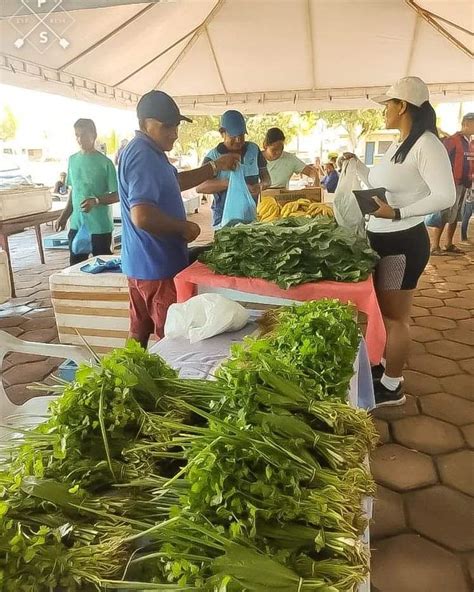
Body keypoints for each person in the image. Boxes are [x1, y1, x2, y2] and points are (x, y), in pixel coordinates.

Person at [345, 76, 455, 408]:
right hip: (383, 240)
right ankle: (385, 369)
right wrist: (357, 166)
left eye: (388, 105)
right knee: (384, 311)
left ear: (402, 106)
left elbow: (445, 195)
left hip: (401, 246)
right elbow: (387, 184)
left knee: (395, 317)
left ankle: (392, 386)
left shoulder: (427, 145)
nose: (384, 111)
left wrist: (397, 213)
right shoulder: (401, 143)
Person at [118, 90, 240, 348]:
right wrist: (182, 227)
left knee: (138, 331)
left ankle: (127, 377)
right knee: (171, 339)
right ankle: (163, 386)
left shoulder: (149, 150)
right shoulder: (144, 155)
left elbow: (175, 182)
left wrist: (214, 167)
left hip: (141, 264)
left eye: (176, 126)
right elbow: (141, 215)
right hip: (156, 265)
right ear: (144, 124)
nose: (173, 133)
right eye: (166, 127)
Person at [55, 118, 119, 266]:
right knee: (76, 266)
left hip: (100, 227)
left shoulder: (105, 163)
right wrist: (64, 216)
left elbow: (117, 195)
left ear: (94, 135)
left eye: (84, 134)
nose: (79, 139)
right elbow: (73, 192)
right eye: (77, 135)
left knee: (102, 266)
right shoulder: (72, 160)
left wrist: (96, 201)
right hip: (77, 224)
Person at [196, 110, 271, 227]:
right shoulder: (213, 157)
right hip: (224, 219)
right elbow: (200, 187)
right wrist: (232, 184)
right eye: (233, 136)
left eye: (241, 135)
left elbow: (266, 178)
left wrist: (261, 185)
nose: (238, 140)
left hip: (250, 218)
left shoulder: (254, 150)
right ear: (222, 133)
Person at [430, 113, 474, 255]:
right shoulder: (453, 140)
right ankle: (435, 246)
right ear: (466, 123)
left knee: (456, 215)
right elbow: (441, 159)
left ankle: (449, 243)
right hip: (452, 183)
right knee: (445, 213)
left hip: (465, 184)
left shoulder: (470, 143)